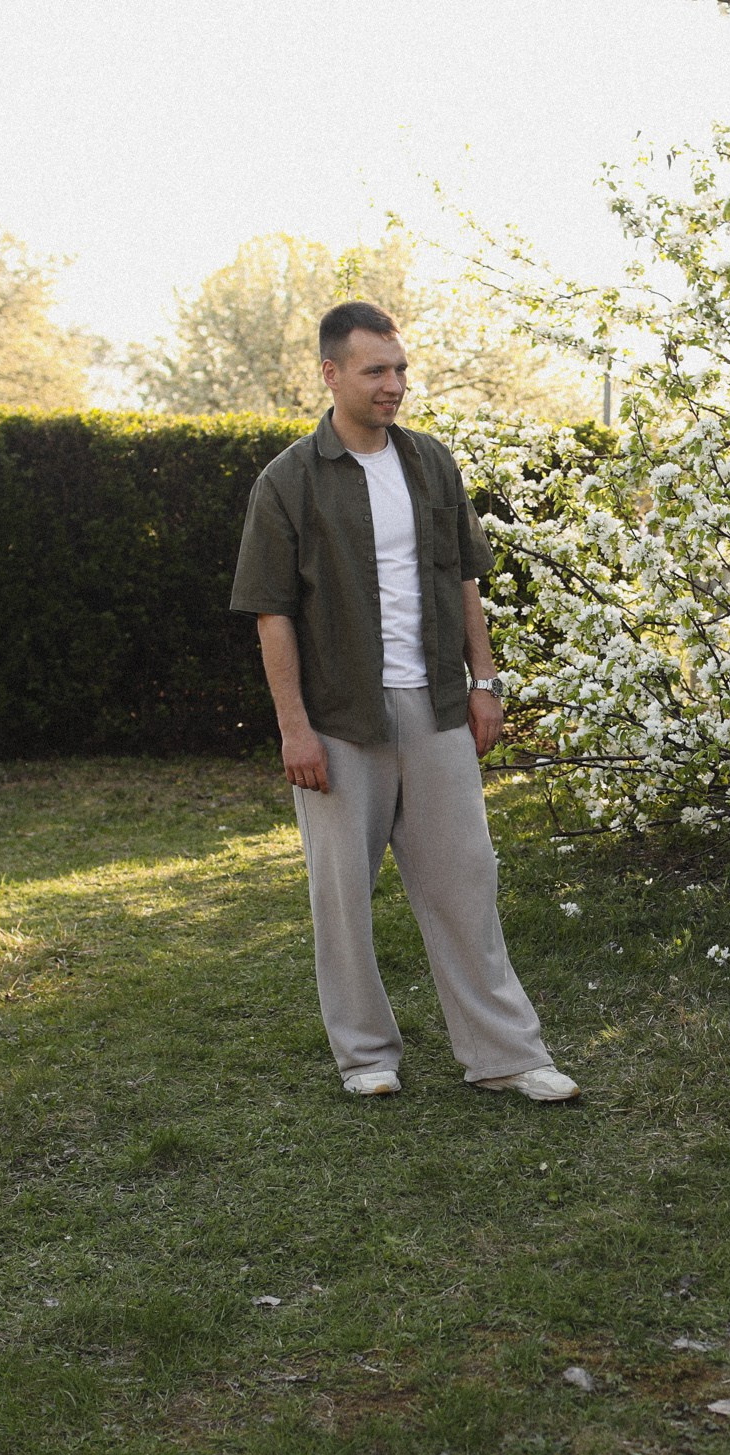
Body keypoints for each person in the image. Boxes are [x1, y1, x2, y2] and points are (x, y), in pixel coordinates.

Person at [228, 300, 575, 1103]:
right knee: (342, 895)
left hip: (439, 704)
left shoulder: (430, 464)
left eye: (401, 369)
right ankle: (366, 1056)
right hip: (340, 719)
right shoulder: (288, 481)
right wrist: (294, 731)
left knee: (467, 878)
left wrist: (484, 684)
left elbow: (465, 581)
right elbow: (271, 616)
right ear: (331, 374)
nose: (395, 385)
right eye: (377, 370)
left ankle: (505, 1056)